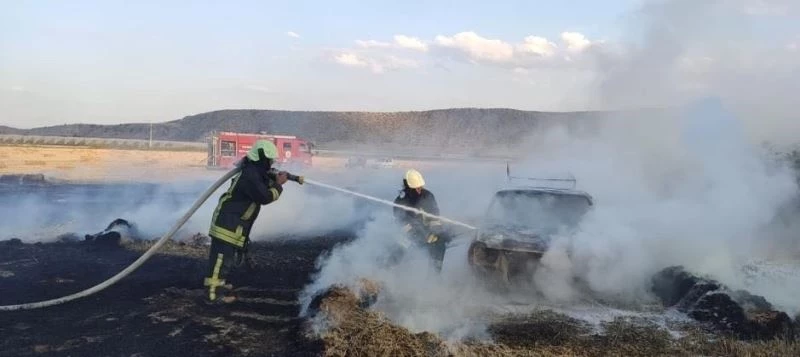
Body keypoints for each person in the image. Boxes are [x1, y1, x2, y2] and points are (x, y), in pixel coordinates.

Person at [203, 140, 288, 304]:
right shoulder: (250, 175)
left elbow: (261, 185)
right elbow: (264, 197)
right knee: (220, 261)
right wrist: (278, 186)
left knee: (225, 260)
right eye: (269, 160)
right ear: (262, 158)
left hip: (234, 223)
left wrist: (273, 178)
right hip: (228, 224)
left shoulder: (254, 172)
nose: (271, 164)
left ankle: (219, 285)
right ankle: (213, 295)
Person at [392, 169, 449, 272]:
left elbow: (434, 215)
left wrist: (434, 230)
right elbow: (401, 222)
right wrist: (416, 232)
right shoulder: (400, 201)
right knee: (400, 246)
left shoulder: (427, 196)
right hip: (409, 234)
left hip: (428, 232)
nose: (419, 190)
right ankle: (390, 270)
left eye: (420, 187)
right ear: (408, 188)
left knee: (440, 244)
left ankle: (435, 274)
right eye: (416, 188)